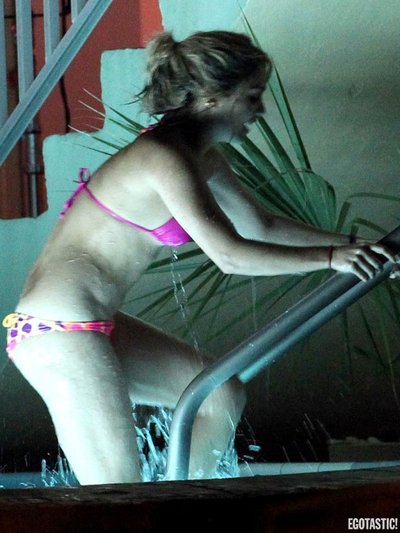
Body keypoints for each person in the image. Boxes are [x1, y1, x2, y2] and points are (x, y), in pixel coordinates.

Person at [3, 31, 397, 486]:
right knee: (117, 495)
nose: (260, 110)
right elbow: (230, 255)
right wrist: (331, 258)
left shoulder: (198, 157)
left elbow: (260, 226)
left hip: (93, 323)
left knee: (220, 395)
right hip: (57, 331)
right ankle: (158, 511)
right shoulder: (162, 158)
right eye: (252, 96)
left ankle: (183, 504)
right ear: (212, 98)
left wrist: (356, 246)